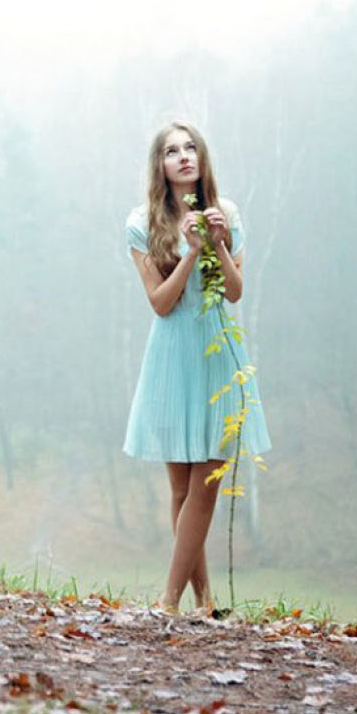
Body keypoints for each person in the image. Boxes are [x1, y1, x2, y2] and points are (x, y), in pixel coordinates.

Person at [122, 121, 272, 615]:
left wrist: (220, 244)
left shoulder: (226, 213)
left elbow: (235, 292)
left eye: (190, 148)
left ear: (202, 158)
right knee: (182, 487)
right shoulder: (142, 223)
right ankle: (205, 600)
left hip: (216, 353)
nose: (183, 156)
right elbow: (160, 304)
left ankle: (169, 601)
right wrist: (189, 252)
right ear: (160, 166)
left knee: (208, 479)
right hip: (171, 356)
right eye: (171, 151)